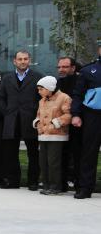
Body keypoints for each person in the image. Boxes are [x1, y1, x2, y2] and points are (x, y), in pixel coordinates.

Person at [0, 50, 42, 190]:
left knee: (33, 153)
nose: (23, 61)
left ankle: (33, 182)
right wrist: (6, 112)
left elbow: (43, 97)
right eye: (20, 59)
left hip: (31, 119)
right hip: (11, 120)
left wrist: (36, 113)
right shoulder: (7, 78)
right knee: (10, 152)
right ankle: (13, 181)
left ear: (29, 60)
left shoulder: (38, 77)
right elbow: (1, 97)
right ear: (14, 61)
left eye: (25, 59)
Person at [70, 45, 101, 199]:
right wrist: (75, 114)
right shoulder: (88, 71)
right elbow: (78, 94)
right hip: (92, 116)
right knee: (89, 153)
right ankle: (85, 188)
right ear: (99, 49)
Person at [33, 76, 72, 195]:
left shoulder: (64, 98)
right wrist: (37, 123)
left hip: (57, 135)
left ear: (49, 88)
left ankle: (55, 186)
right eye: (38, 89)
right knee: (43, 161)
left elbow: (68, 115)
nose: (39, 92)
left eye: (41, 89)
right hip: (43, 135)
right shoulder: (42, 100)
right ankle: (46, 185)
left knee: (53, 162)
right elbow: (39, 115)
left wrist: (55, 123)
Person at [56, 56, 81, 190]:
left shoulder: (81, 82)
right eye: (59, 67)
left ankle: (79, 183)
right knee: (61, 154)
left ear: (73, 68)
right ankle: (62, 183)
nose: (61, 69)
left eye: (65, 67)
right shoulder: (57, 84)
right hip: (60, 125)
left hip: (77, 124)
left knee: (78, 154)